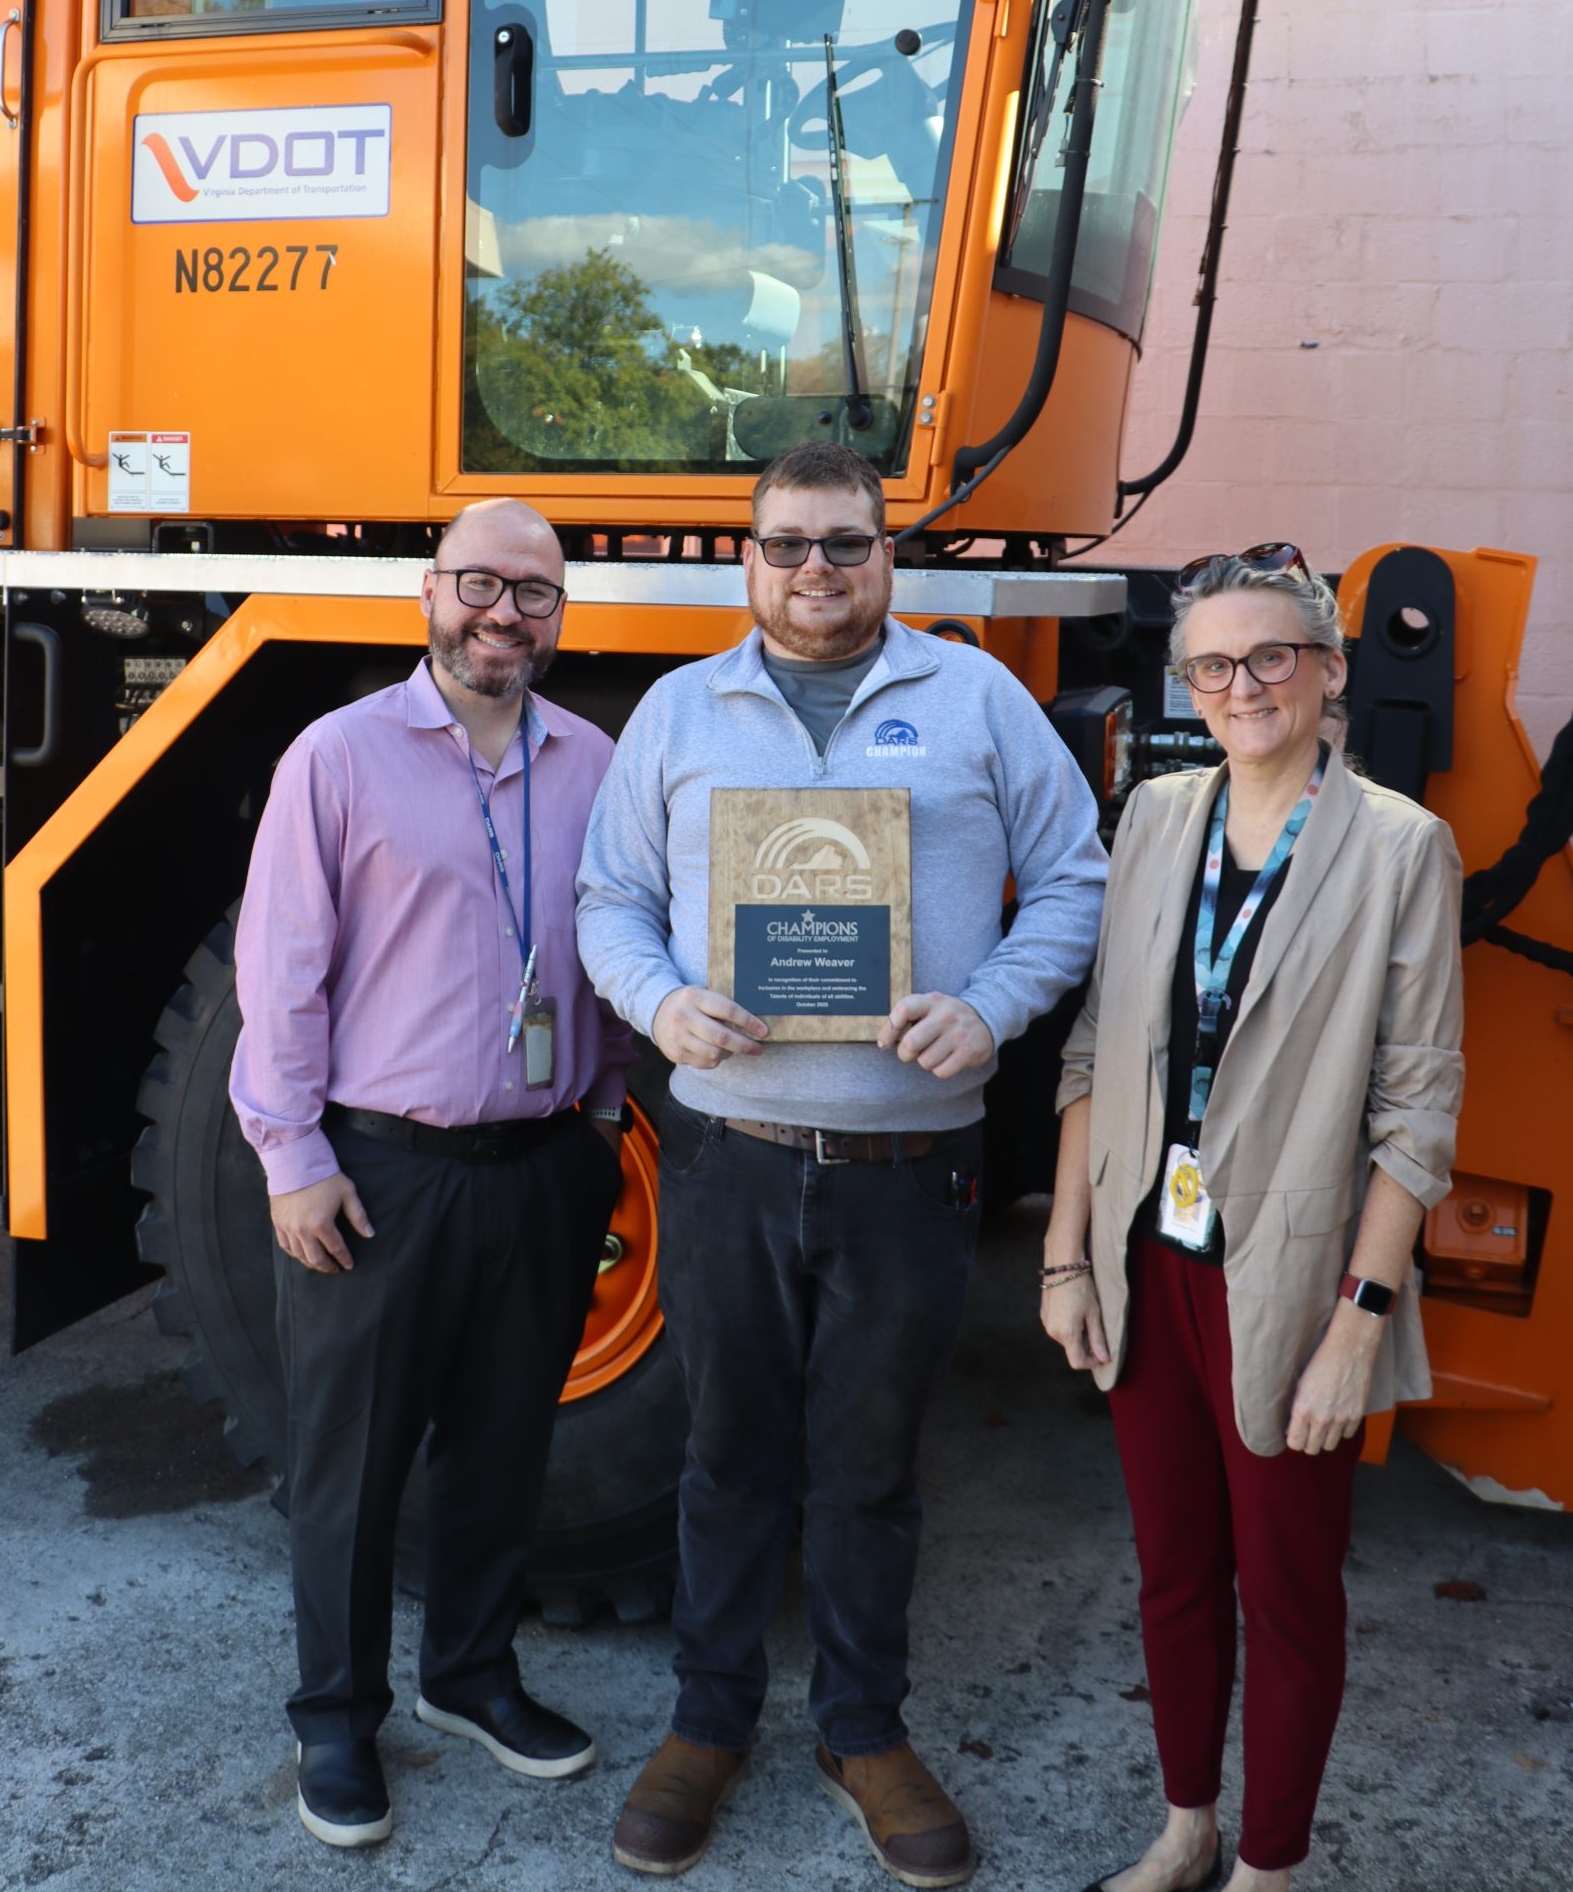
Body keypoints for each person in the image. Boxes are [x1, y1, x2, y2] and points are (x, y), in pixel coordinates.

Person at [576, 442, 1107, 1886]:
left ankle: (863, 1732)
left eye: (849, 545)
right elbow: (608, 899)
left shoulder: (980, 698)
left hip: (910, 1166)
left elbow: (1076, 877)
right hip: (731, 1156)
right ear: (748, 564)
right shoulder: (683, 712)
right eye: (793, 545)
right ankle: (708, 1721)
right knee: (728, 1456)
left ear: (890, 559)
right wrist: (661, 1004)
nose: (821, 570)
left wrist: (991, 1004)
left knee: (871, 1471)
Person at [1042, 545, 1465, 1892]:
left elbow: (1416, 1111)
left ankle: (1269, 1867)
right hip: (1143, 1256)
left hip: (1287, 1280)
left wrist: (1362, 1323)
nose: (1244, 684)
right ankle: (1185, 1828)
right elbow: (1095, 1057)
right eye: (1214, 665)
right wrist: (1065, 1254)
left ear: (1330, 671)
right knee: (1172, 1570)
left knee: (1286, 1594)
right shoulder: (1157, 815)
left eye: (1272, 655)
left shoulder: (1401, 846)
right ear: (1189, 684)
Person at [230, 499, 633, 1850]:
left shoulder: (595, 762)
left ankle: (469, 1676)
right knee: (352, 1464)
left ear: (559, 614)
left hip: (545, 1164)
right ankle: (338, 1722)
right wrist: (291, 1158)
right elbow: (278, 974)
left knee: (505, 1447)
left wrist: (604, 1118)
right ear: (429, 592)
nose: (502, 613)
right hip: (380, 1171)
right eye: (480, 583)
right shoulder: (337, 757)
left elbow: (619, 946)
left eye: (534, 592)